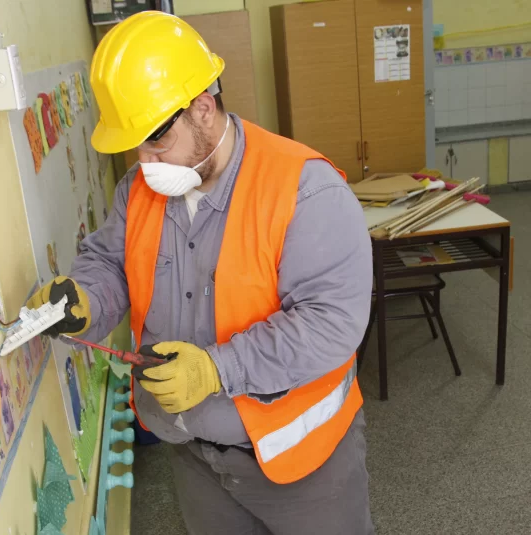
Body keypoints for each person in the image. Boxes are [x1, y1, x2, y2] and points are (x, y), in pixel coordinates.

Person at [28, 11, 374, 535]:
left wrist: (215, 370)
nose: (144, 161)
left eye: (155, 141)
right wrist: (84, 299)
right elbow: (112, 265)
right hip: (194, 459)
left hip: (302, 463)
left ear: (203, 110)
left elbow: (330, 324)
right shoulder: (139, 192)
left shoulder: (306, 191)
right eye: (135, 146)